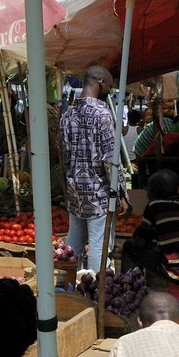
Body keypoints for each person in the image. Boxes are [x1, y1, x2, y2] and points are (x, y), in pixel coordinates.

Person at [59, 65, 116, 271]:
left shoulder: (68, 115)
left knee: (73, 242)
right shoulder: (103, 113)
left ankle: (68, 287)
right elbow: (110, 159)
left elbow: (64, 156)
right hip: (97, 191)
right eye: (109, 86)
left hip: (75, 189)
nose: (110, 91)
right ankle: (95, 289)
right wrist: (121, 192)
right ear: (100, 83)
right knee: (98, 243)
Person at [120, 169, 179, 286]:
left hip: (177, 275)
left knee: (130, 246)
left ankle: (129, 287)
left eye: (149, 187)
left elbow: (140, 242)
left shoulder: (155, 206)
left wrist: (140, 233)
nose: (147, 193)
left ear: (157, 188)